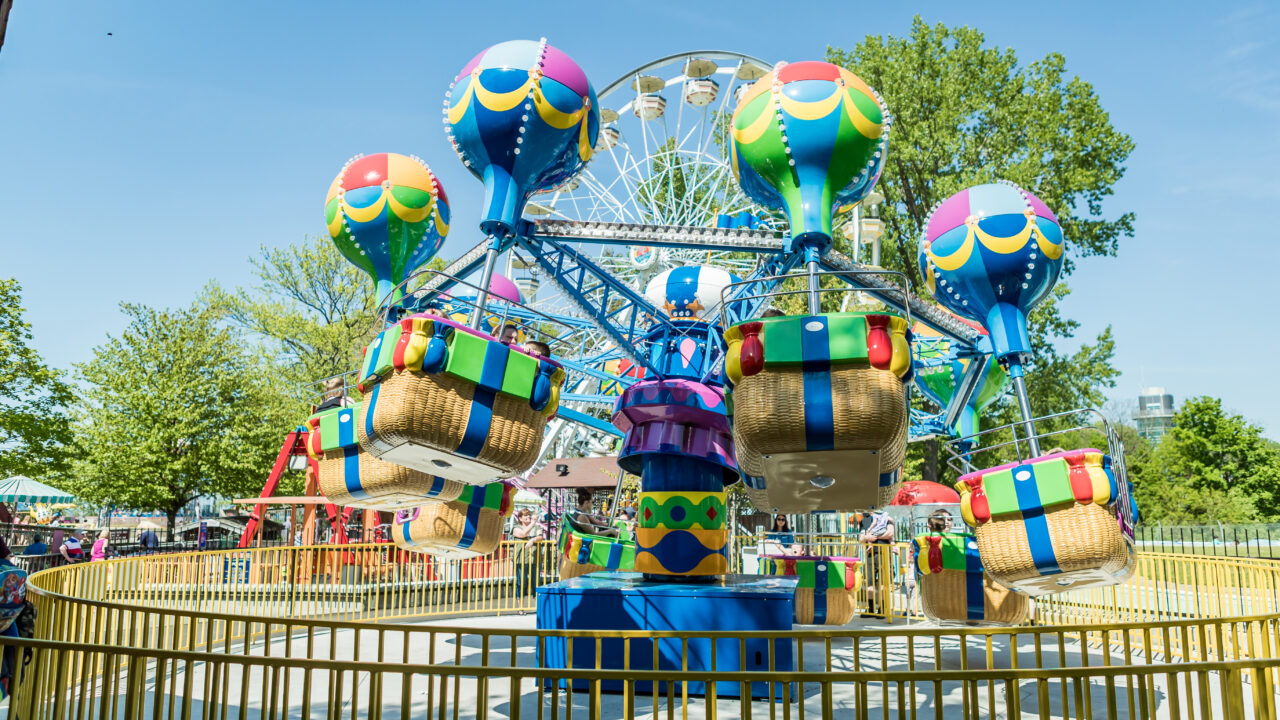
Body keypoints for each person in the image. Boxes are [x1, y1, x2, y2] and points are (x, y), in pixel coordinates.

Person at [860, 510, 895, 616]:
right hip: (870, 554)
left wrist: (873, 536)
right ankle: (870, 608)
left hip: (884, 552)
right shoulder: (864, 520)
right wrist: (866, 537)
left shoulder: (886, 518)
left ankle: (883, 608)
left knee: (883, 582)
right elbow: (861, 538)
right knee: (869, 581)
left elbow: (890, 533)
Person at [509, 508, 546, 609]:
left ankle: (539, 608)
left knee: (536, 583)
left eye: (529, 515)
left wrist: (533, 540)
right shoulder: (516, 527)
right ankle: (521, 607)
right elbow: (523, 534)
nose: (528, 516)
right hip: (521, 560)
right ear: (520, 518)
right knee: (521, 583)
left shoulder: (537, 526)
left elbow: (540, 537)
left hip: (535, 560)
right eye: (525, 515)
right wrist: (533, 523)